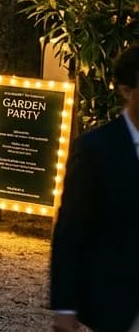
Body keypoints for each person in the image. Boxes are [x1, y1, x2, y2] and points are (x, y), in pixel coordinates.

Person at [49, 46, 139, 332]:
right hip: (118, 298)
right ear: (127, 90)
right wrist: (65, 307)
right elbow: (70, 230)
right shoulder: (96, 149)